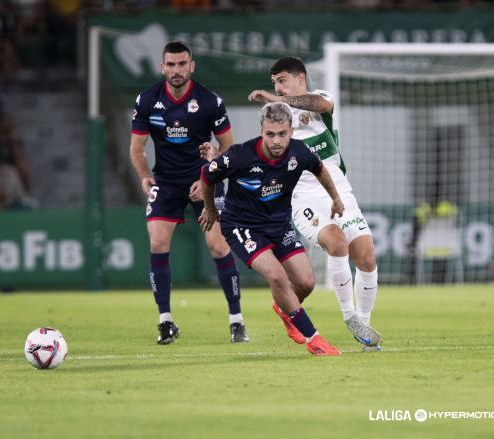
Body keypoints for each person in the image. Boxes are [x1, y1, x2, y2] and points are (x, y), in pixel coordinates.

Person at [246, 57, 382, 350]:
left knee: (367, 257)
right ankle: (349, 317)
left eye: (282, 80)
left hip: (338, 189)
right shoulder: (275, 118)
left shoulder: (322, 99)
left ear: (301, 78)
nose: (277, 88)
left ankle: (364, 325)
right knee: (337, 243)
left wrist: (278, 99)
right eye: (274, 83)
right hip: (303, 195)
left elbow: (319, 105)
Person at [199, 102, 346, 356]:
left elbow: (320, 169)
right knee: (277, 277)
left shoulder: (299, 152)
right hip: (242, 226)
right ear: (261, 131)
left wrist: (336, 199)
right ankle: (314, 339)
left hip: (278, 225)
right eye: (270, 134)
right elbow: (207, 175)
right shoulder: (240, 155)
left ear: (291, 131)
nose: (276, 140)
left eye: (282, 134)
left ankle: (285, 308)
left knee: (306, 282)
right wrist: (211, 208)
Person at [130, 41, 248, 345]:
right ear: (162, 67)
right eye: (171, 64)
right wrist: (144, 176)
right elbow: (137, 148)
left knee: (218, 247)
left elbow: (229, 148)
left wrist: (208, 175)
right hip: (165, 182)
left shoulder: (210, 101)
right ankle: (165, 322)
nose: (176, 70)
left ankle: (236, 321)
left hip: (204, 180)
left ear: (191, 66)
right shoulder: (147, 100)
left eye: (182, 64)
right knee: (157, 242)